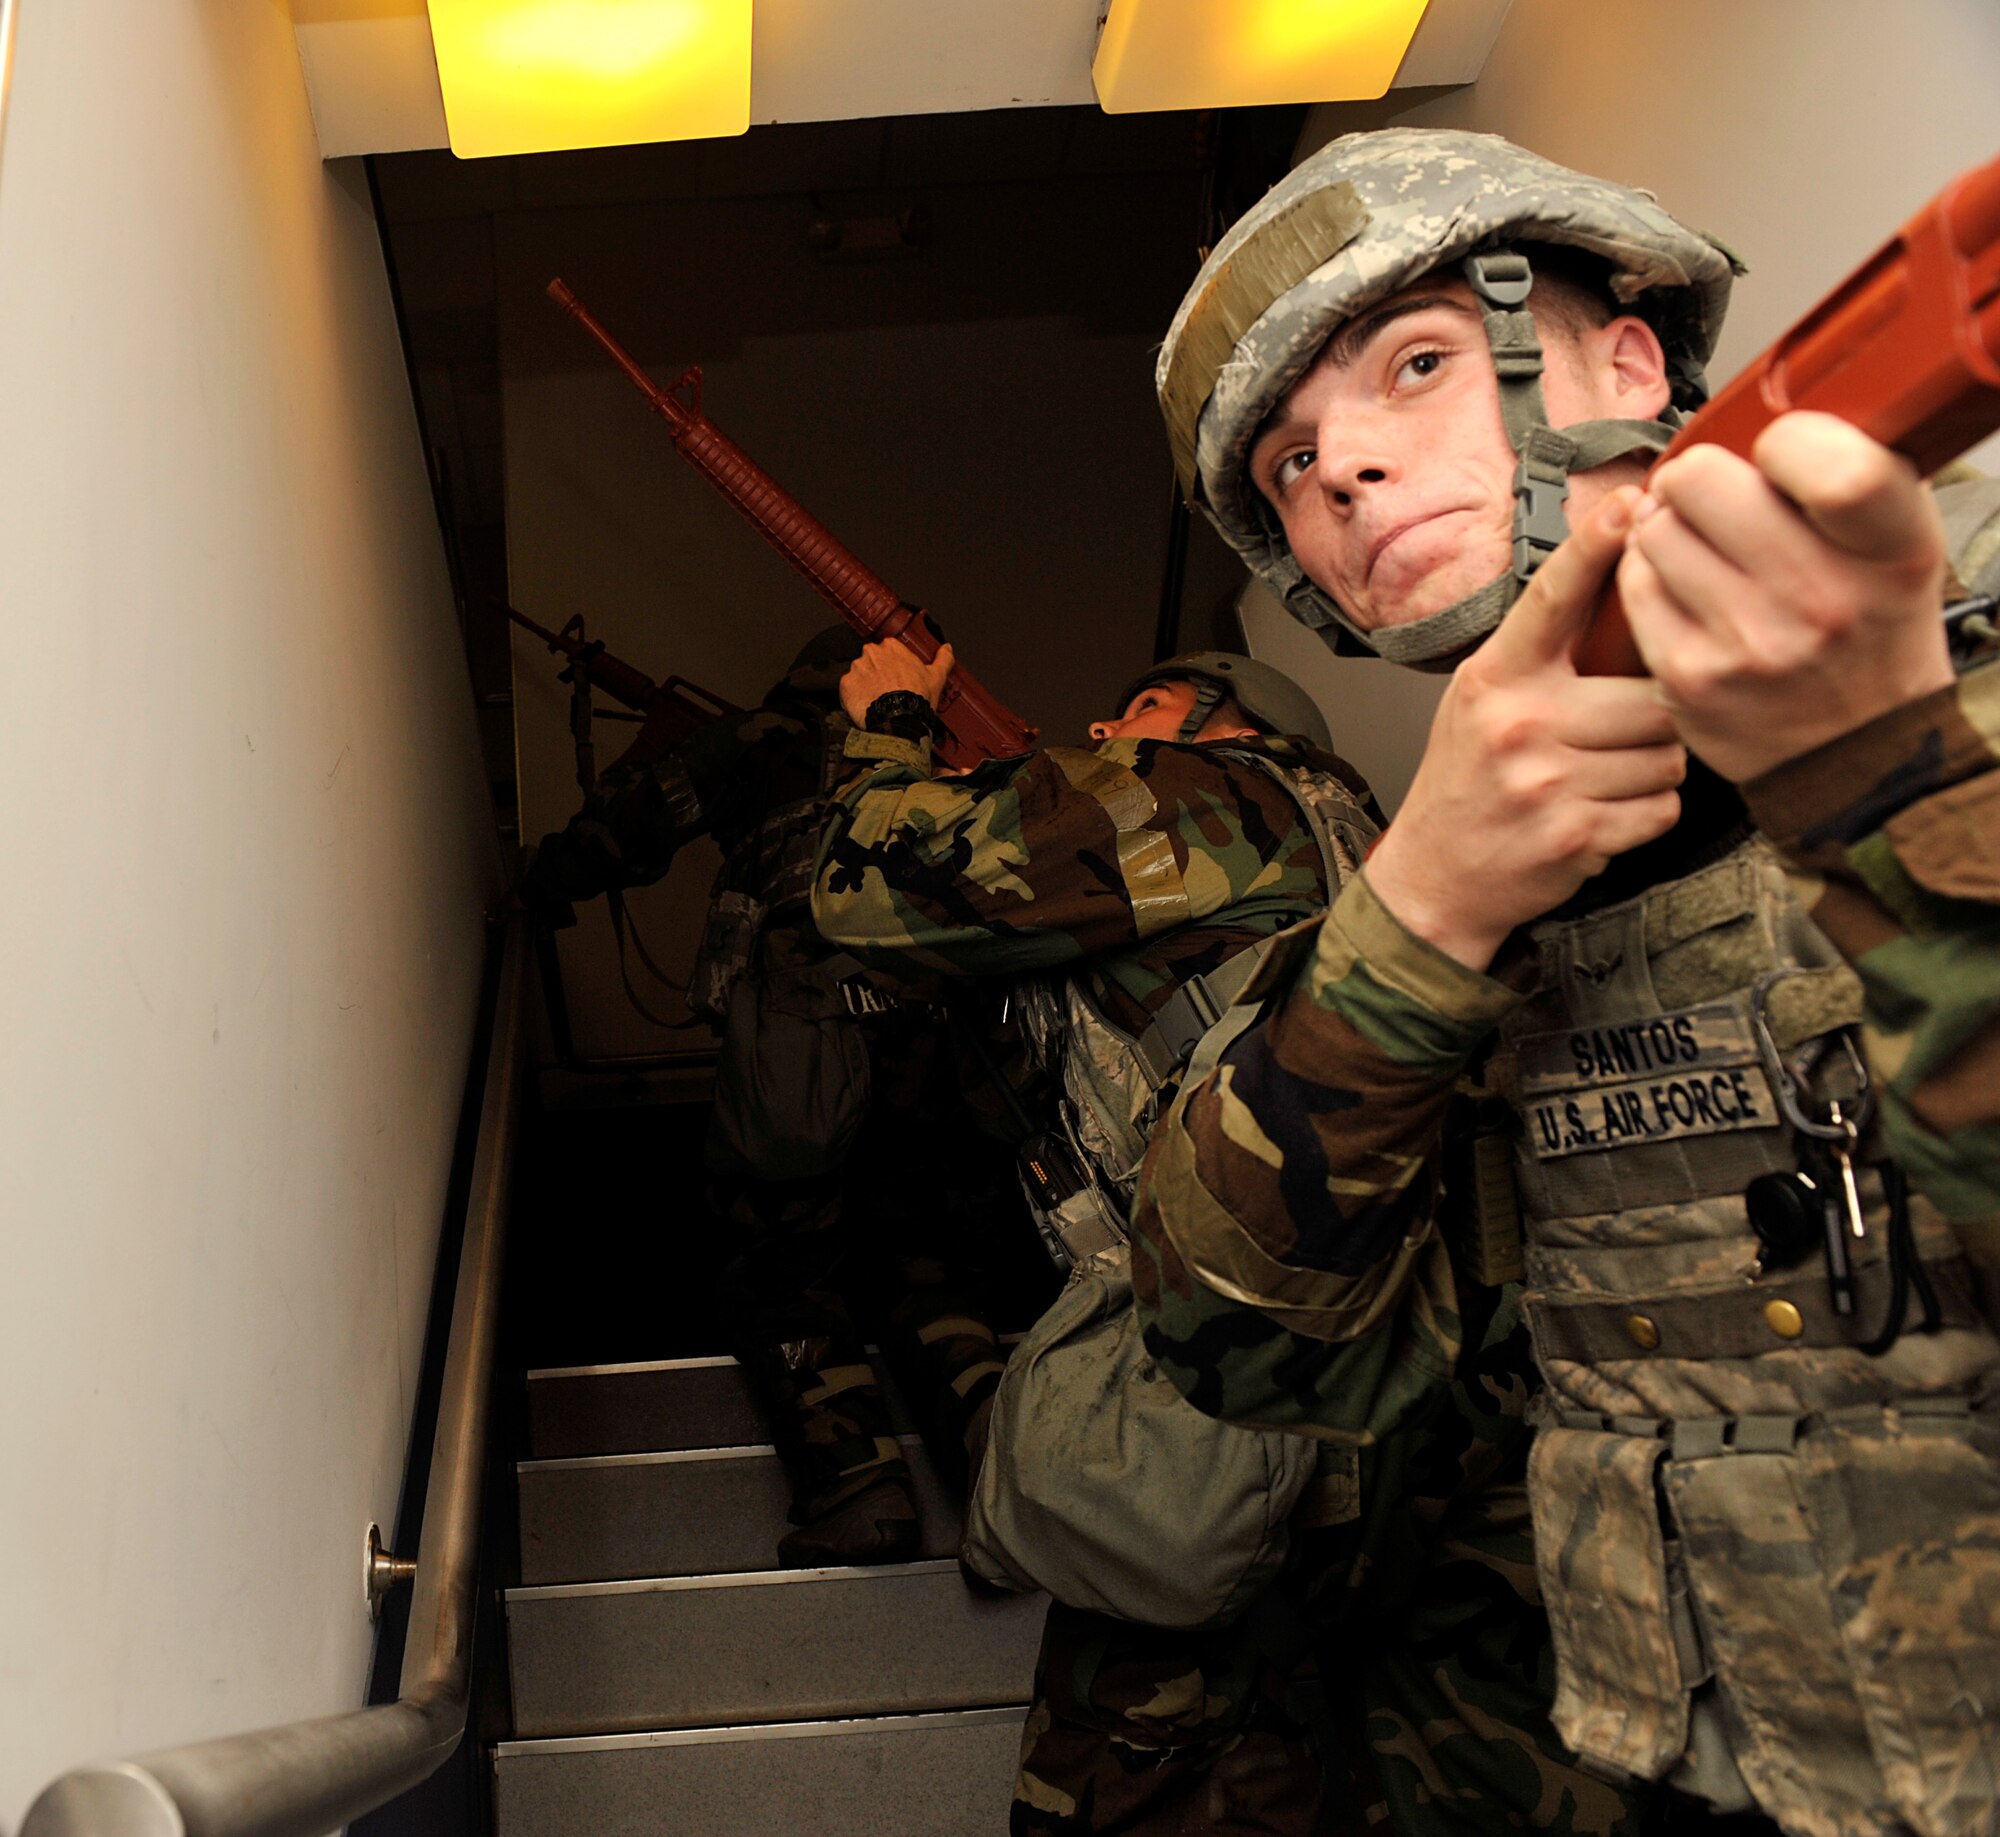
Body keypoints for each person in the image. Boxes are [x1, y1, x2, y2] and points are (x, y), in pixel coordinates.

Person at [1132, 126, 2000, 1836]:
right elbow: (1230, 1345)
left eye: (1419, 366)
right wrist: (1425, 911)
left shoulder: (1949, 686)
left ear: (1619, 357)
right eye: (1298, 466)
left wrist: (1881, 783)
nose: (1348, 477)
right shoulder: (1433, 881)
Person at [811, 641, 1382, 1834]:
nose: (1103, 731)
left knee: (1122, 1770)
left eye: (1141, 707)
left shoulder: (1210, 792)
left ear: (1226, 724)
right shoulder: (1344, 846)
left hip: (1228, 1394)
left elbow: (867, 887)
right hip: (1366, 1391)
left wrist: (893, 720)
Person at [518, 626, 1018, 1567]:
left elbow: (623, 826)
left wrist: (532, 889)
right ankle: (1016, 1485)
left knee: (783, 1267)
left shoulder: (757, 739)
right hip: (938, 1035)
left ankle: (863, 1487)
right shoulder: (957, 760)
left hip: (801, 1033)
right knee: (931, 1269)